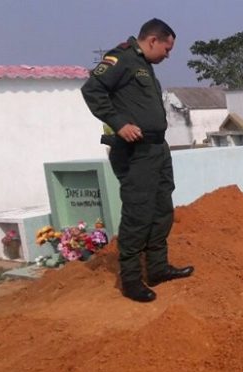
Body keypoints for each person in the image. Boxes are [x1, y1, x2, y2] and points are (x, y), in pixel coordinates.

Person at [81, 18, 193, 302]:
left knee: (161, 209)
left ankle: (157, 268)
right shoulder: (122, 59)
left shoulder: (144, 66)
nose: (168, 56)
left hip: (157, 149)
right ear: (153, 40)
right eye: (166, 49)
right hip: (136, 152)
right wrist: (119, 123)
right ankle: (131, 281)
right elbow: (92, 89)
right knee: (138, 214)